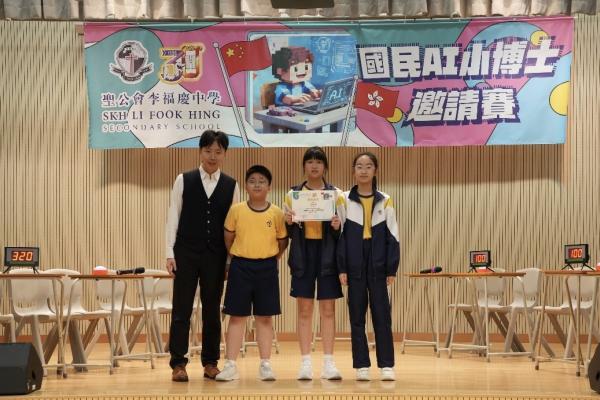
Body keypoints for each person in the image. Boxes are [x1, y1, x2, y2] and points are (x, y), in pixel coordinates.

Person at [165, 130, 240, 382]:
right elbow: (173, 216)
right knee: (182, 309)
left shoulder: (231, 185)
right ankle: (178, 363)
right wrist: (169, 253)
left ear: (224, 154)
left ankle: (210, 362)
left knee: (212, 309)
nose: (212, 156)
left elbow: (233, 226)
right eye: (208, 151)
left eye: (218, 151)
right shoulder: (183, 179)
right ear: (200, 151)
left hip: (216, 255)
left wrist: (230, 260)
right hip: (185, 253)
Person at [215, 165, 289, 381]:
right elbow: (228, 237)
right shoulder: (236, 210)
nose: (257, 185)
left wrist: (272, 258)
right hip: (240, 267)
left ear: (269, 186)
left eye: (262, 181)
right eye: (252, 181)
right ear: (246, 186)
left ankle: (265, 364)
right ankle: (230, 365)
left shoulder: (277, 213)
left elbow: (282, 241)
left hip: (267, 268)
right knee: (237, 316)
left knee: (264, 318)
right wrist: (236, 257)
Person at [337, 152, 400, 381]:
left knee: (382, 315)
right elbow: (340, 236)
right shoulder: (344, 199)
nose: (363, 170)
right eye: (359, 166)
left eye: (368, 166)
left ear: (375, 171)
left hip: (378, 262)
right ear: (353, 171)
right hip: (354, 262)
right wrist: (342, 268)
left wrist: (391, 268)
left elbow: (393, 235)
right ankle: (361, 365)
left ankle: (386, 365)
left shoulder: (385, 200)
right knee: (356, 316)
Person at [283, 147, 345, 380]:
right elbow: (288, 233)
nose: (314, 165)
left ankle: (329, 363)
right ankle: (305, 363)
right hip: (303, 254)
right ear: (304, 166)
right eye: (310, 161)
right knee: (304, 309)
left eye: (319, 161)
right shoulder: (293, 195)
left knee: (328, 310)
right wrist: (289, 223)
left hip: (328, 254)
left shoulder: (336, 194)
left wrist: (337, 226)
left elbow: (343, 232)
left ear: (325, 166)